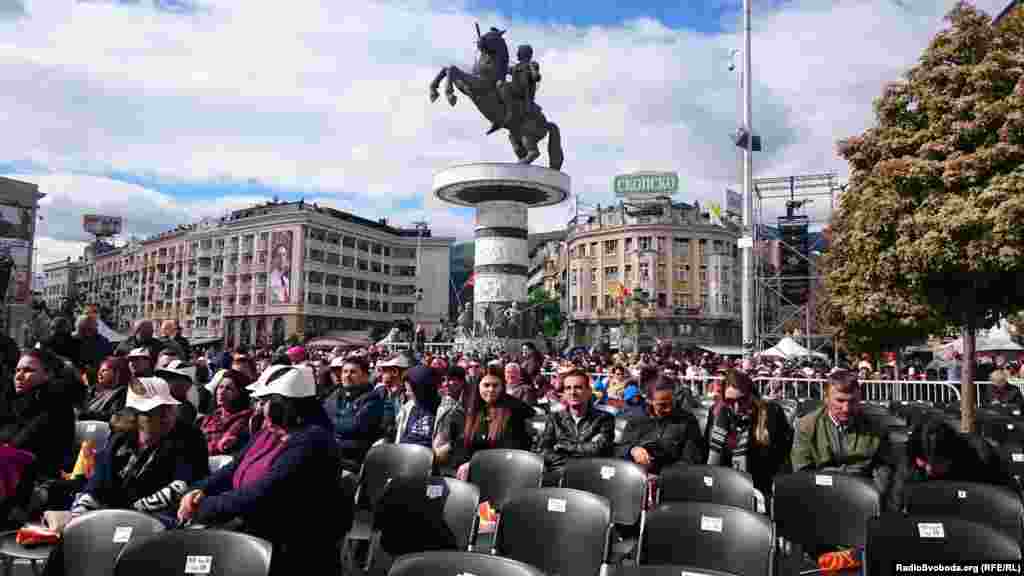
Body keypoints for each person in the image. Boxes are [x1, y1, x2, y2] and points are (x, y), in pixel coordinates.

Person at [177, 365, 343, 576]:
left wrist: (204, 507)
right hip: (251, 528)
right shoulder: (270, 432)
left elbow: (264, 492)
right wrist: (197, 490)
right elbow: (233, 468)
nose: (259, 408)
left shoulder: (313, 441)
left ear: (283, 405)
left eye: (264, 402)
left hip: (290, 549)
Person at [41, 377, 209, 541]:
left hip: (162, 520)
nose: (165, 416)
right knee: (73, 537)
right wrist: (79, 516)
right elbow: (98, 485)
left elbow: (182, 486)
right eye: (154, 411)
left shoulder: (189, 437)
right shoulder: (119, 440)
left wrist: (127, 513)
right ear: (134, 417)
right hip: (114, 517)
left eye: (169, 408)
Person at [792, 369, 896, 510]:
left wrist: (873, 498)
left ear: (860, 399)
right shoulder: (806, 426)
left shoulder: (876, 429)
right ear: (826, 398)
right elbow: (802, 472)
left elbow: (884, 470)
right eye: (840, 400)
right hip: (819, 495)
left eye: (852, 401)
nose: (846, 408)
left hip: (862, 496)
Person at [706, 369, 793, 500]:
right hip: (725, 486)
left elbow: (783, 456)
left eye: (741, 400)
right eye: (729, 401)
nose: (736, 407)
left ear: (752, 395)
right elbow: (712, 460)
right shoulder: (719, 414)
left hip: (763, 487)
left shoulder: (771, 413)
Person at [445, 366, 532, 480]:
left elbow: (512, 449)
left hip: (502, 472)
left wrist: (477, 464)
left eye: (495, 385)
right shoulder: (468, 409)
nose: (491, 390)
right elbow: (460, 446)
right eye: (486, 385)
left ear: (502, 387)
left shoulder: (514, 411)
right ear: (478, 386)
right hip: (467, 473)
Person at [539, 369, 615, 486]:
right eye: (568, 388)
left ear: (589, 391)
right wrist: (570, 461)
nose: (572, 392)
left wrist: (562, 446)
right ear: (563, 393)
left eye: (578, 387)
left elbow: (599, 449)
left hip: (592, 477)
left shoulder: (604, 419)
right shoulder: (554, 419)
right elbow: (543, 450)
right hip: (560, 475)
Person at [621, 375, 703, 475]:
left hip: (674, 479)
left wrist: (664, 475)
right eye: (662, 405)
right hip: (637, 477)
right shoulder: (636, 418)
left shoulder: (687, 421)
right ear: (649, 400)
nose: (668, 409)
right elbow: (621, 448)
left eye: (672, 403)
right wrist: (633, 450)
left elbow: (691, 459)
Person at [323, 355, 394, 470]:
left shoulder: (373, 399)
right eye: (345, 371)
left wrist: (330, 422)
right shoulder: (335, 395)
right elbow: (322, 418)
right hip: (330, 452)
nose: (347, 375)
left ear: (365, 376)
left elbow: (354, 426)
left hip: (353, 459)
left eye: (353, 372)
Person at [199, 369, 255, 456]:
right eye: (220, 387)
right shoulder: (213, 415)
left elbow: (221, 446)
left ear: (239, 394)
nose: (221, 392)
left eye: (228, 389)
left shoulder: (243, 419)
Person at [395, 365, 441, 449]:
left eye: (409, 390)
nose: (407, 393)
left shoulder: (442, 410)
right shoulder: (408, 408)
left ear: (420, 390)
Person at [78, 355, 130, 422]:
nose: (99, 373)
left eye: (104, 370)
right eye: (99, 370)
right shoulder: (92, 390)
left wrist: (87, 414)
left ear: (117, 373)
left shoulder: (121, 392)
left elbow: (114, 415)